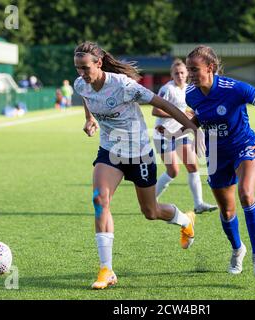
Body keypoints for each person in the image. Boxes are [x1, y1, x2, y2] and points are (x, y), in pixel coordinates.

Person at [73, 41, 203, 289]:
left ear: (99, 63)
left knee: (150, 212)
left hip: (140, 153)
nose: (81, 73)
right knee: (100, 200)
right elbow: (86, 96)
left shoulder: (123, 85)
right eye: (77, 68)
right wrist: (89, 119)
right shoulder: (82, 84)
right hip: (110, 151)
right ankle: (106, 270)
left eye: (85, 67)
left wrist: (193, 128)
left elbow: (163, 105)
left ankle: (186, 221)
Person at [185, 45, 255, 277]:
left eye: (195, 69)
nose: (190, 75)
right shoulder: (191, 93)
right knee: (227, 211)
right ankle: (238, 249)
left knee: (246, 193)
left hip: (245, 145)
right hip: (216, 154)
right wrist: (181, 129)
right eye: (189, 70)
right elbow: (201, 116)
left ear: (210, 68)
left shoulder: (234, 88)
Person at [152, 59, 218, 215]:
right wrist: (179, 114)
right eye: (176, 73)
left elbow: (190, 110)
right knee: (173, 170)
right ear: (171, 75)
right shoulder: (167, 89)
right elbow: (155, 111)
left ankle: (199, 204)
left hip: (181, 133)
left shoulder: (189, 89)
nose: (180, 76)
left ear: (187, 73)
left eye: (182, 72)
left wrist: (193, 114)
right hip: (164, 134)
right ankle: (149, 201)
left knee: (193, 166)